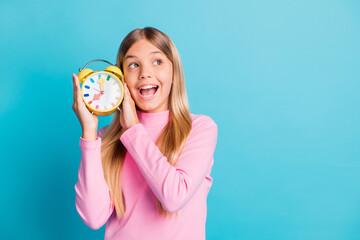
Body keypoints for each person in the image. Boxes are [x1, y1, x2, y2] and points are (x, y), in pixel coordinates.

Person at [72, 26, 218, 240]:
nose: (145, 73)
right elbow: (93, 217)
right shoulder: (106, 138)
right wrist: (89, 134)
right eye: (133, 65)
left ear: (174, 72)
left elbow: (173, 197)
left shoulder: (199, 128)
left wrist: (133, 129)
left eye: (157, 62)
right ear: (121, 79)